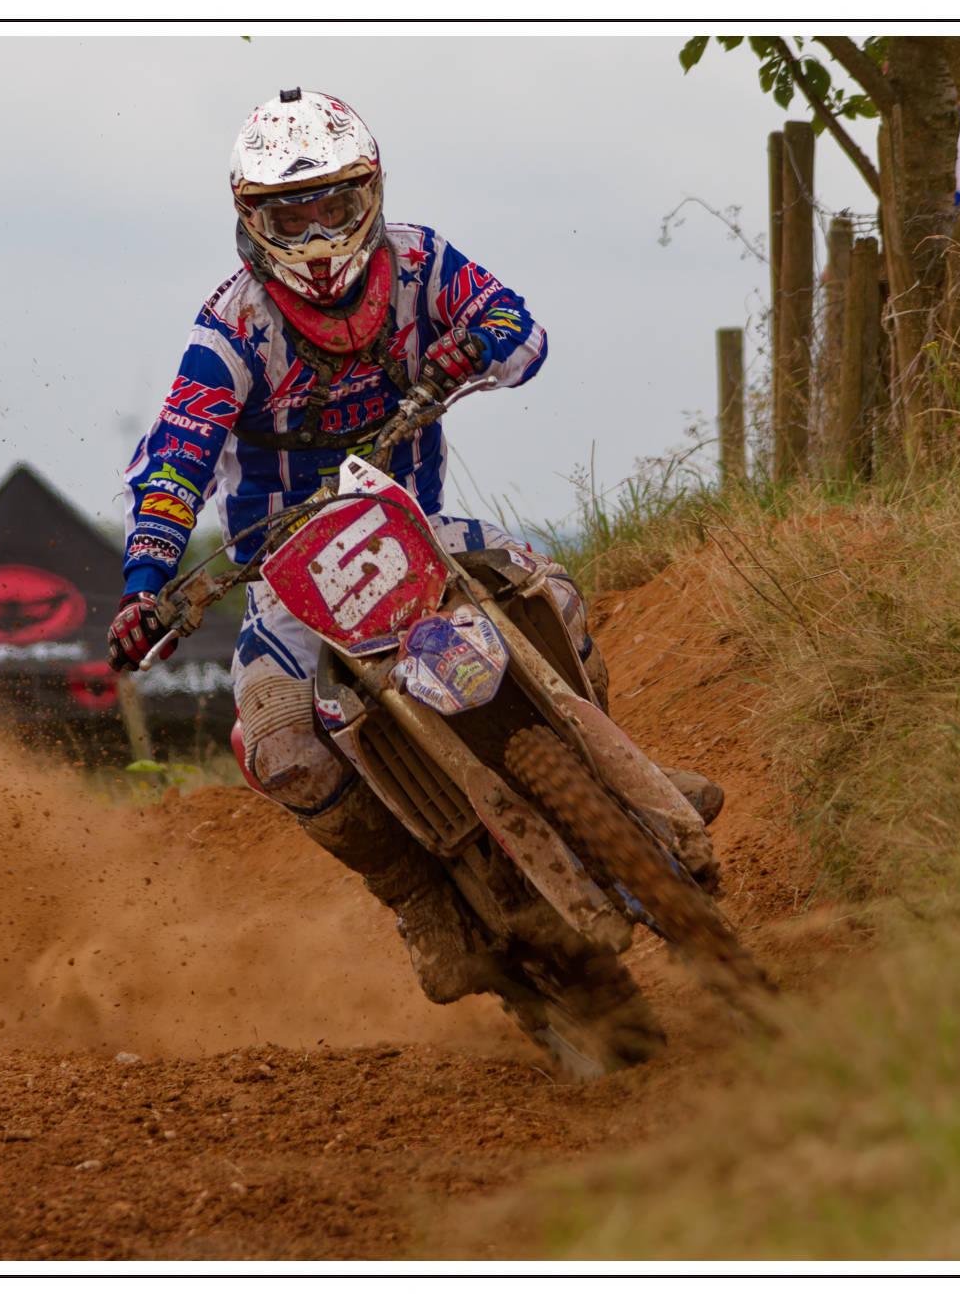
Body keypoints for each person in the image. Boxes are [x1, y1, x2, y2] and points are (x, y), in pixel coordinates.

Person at [105, 89, 722, 1006]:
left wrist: (475, 347)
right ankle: (418, 900)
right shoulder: (230, 329)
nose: (319, 232)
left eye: (335, 204)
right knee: (279, 746)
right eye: (292, 215)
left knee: (550, 591)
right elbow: (174, 462)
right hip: (286, 579)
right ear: (253, 220)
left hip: (418, 529)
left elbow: (521, 330)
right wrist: (145, 584)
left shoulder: (423, 263)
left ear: (372, 191)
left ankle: (616, 772)